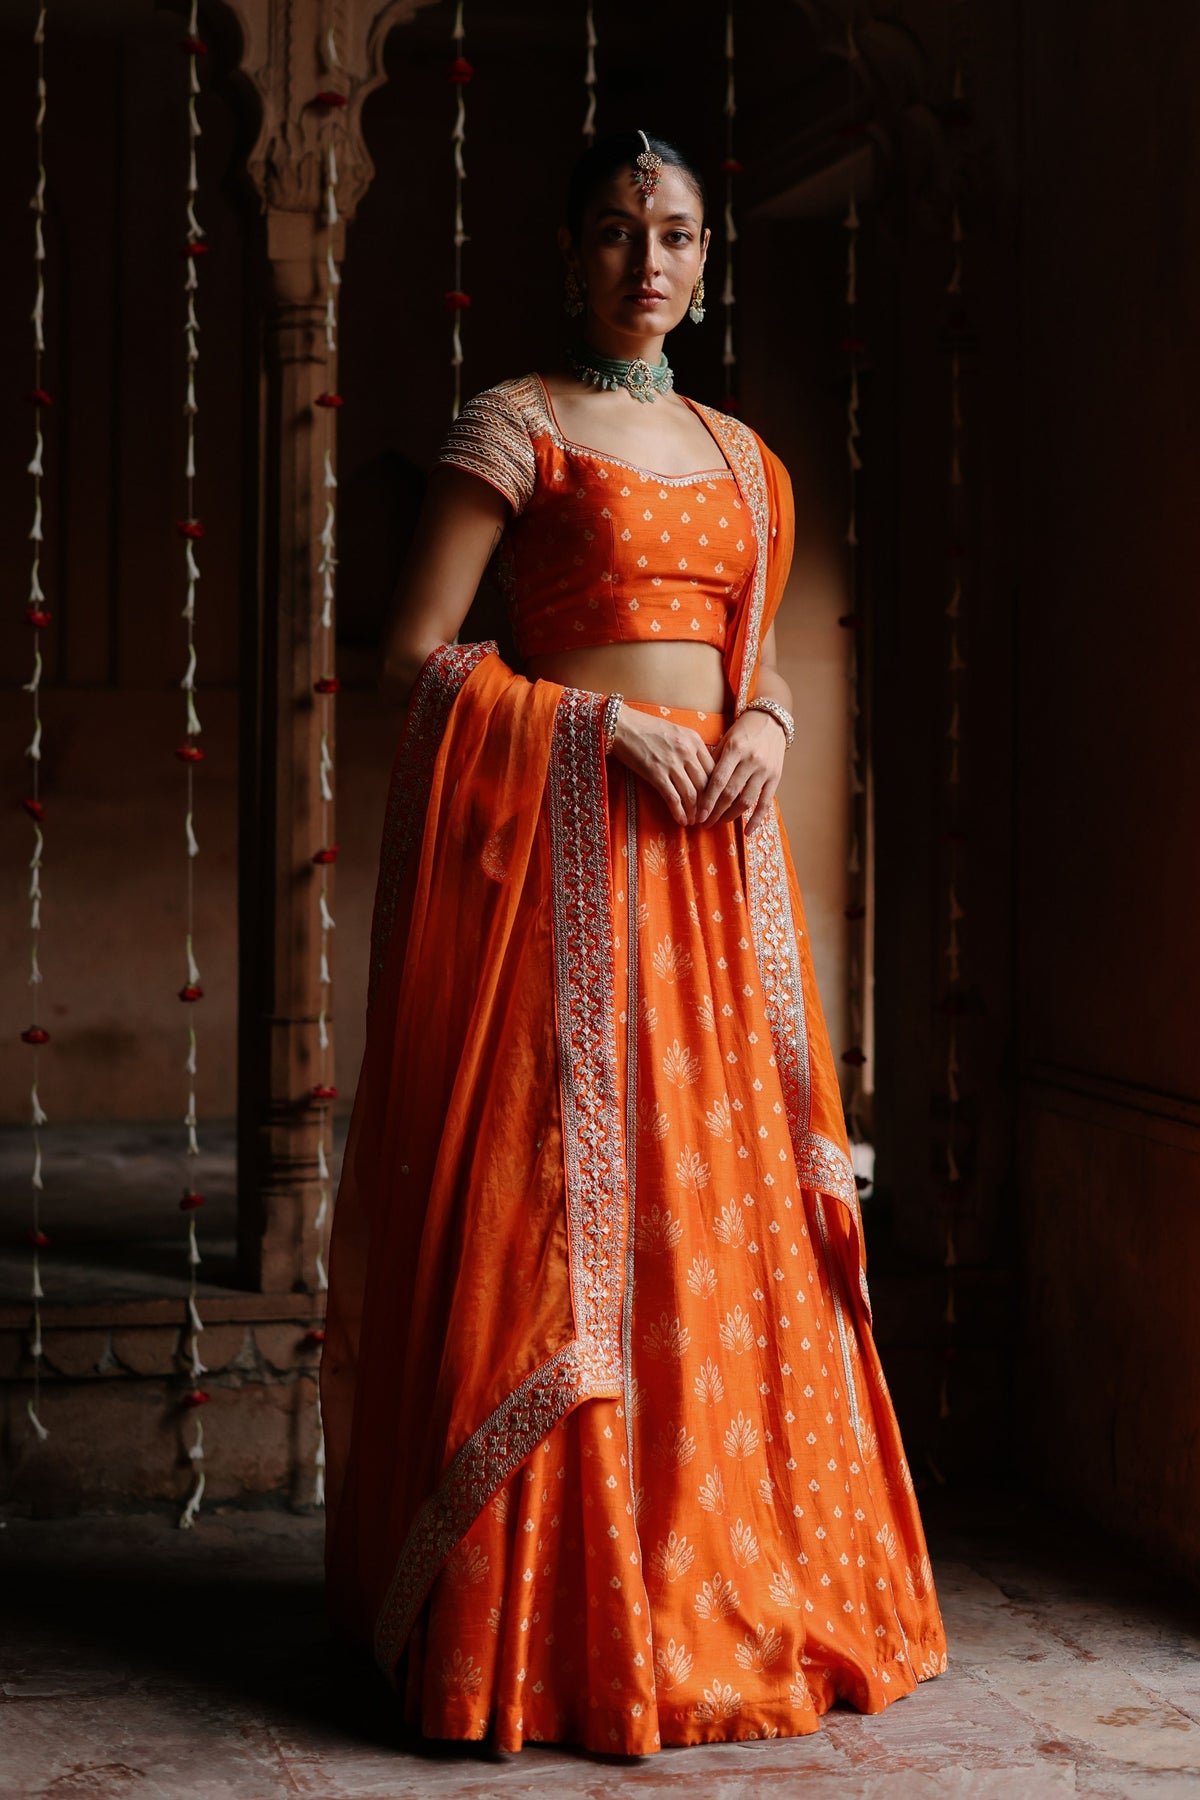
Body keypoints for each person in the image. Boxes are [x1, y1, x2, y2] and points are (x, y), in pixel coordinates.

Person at [320, 129, 948, 1757]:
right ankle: (546, 1633)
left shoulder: (745, 460)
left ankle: (716, 1595)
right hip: (571, 887)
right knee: (568, 1233)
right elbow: (413, 658)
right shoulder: (513, 429)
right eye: (612, 231)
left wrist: (775, 725)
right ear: (566, 250)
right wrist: (591, 728)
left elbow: (762, 661)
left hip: (715, 896)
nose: (644, 262)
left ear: (704, 261)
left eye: (671, 235)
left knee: (724, 1234)